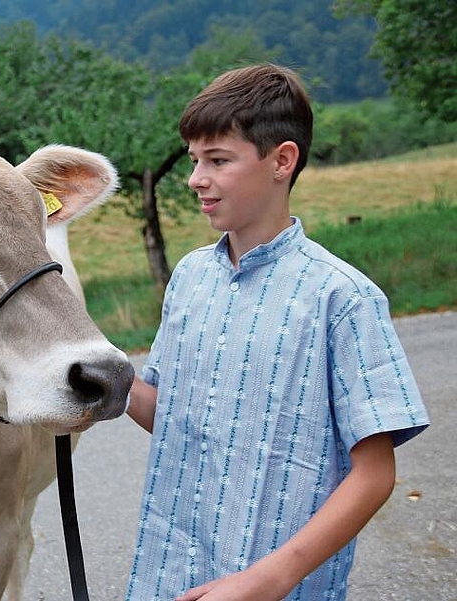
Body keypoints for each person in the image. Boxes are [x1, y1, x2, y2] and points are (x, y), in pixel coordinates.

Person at [124, 64, 429, 601]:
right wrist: (99, 372)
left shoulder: (342, 297)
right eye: (195, 160)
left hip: (280, 588)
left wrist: (269, 580)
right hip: (167, 577)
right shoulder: (190, 278)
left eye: (218, 161)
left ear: (281, 161)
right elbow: (172, 421)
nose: (196, 179)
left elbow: (375, 473)